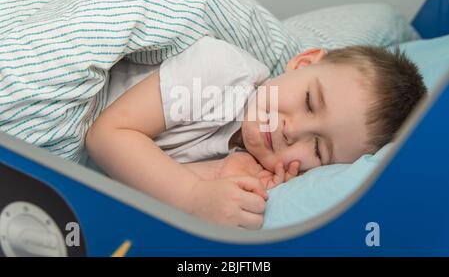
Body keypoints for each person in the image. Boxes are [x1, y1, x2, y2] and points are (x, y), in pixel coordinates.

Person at [85, 35, 427, 229]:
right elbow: (107, 135)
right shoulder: (222, 72)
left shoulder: (249, 163)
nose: (293, 132)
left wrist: (218, 176)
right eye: (310, 101)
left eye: (319, 149)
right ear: (303, 63)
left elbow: (132, 182)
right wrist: (191, 197)